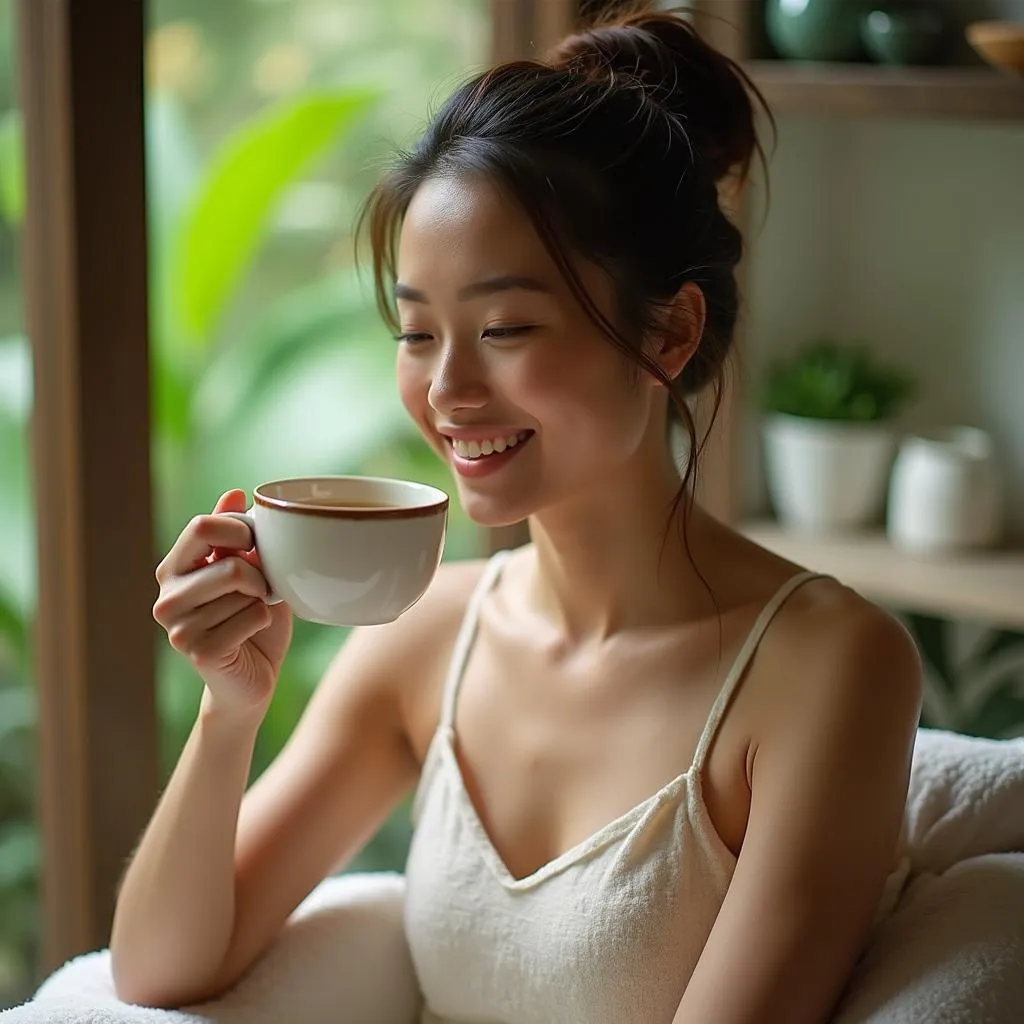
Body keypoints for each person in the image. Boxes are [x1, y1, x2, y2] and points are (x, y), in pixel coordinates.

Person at [110, 6, 923, 1023]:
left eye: (503, 326)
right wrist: (230, 712)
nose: (447, 388)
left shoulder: (828, 667)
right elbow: (157, 971)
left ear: (668, 332)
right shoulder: (422, 645)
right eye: (416, 333)